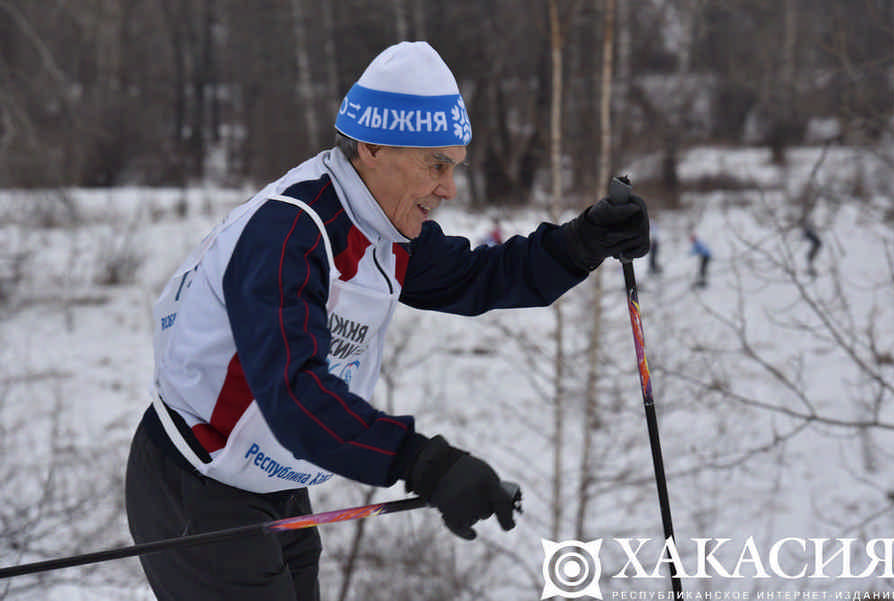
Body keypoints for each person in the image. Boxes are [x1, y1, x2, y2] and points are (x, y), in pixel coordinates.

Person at [125, 41, 650, 601]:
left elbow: (477, 277)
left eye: (454, 167)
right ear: (372, 147)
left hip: (275, 483)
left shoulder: (382, 227)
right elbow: (294, 395)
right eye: (436, 164)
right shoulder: (288, 234)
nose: (448, 188)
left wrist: (581, 242)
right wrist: (423, 462)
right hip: (200, 486)